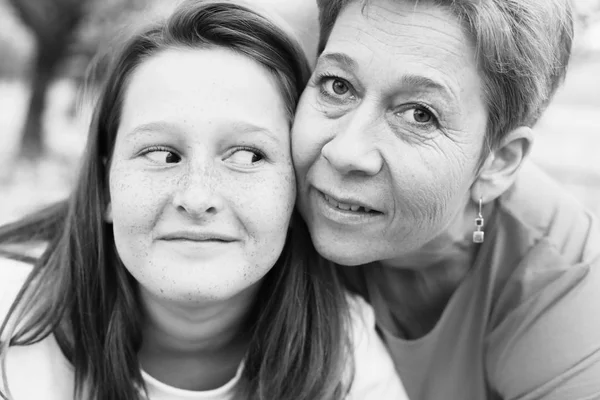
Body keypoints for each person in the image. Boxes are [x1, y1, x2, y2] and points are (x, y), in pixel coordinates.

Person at [0, 1, 408, 399]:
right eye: (162, 155)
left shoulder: (347, 357)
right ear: (106, 185)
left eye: (248, 156)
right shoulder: (10, 315)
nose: (197, 198)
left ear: (294, 188)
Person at [292, 0, 600, 399]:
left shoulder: (564, 281)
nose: (345, 151)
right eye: (338, 85)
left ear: (498, 162)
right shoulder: (268, 194)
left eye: (420, 114)